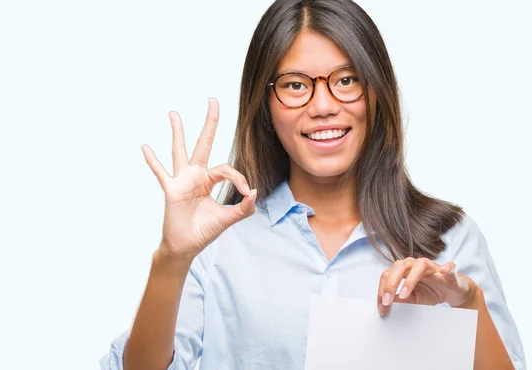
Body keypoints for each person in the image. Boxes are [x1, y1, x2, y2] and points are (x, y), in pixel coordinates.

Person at [101, 0, 525, 369]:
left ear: (376, 92)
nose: (322, 106)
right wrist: (171, 258)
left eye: (346, 80)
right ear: (265, 104)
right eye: (295, 85)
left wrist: (468, 306)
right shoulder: (218, 245)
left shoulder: (451, 241)